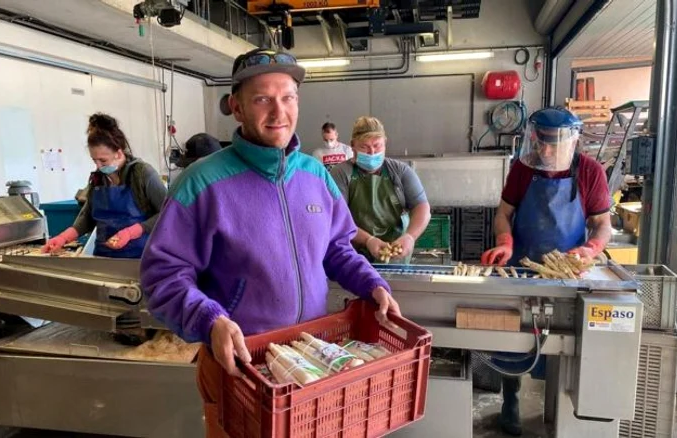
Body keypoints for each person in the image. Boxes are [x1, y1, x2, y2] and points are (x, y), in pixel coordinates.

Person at [139, 47, 400, 438]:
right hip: (241, 368)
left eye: (288, 97)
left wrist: (371, 283)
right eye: (262, 99)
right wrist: (209, 320)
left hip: (311, 358)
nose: (279, 113)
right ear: (237, 107)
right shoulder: (202, 183)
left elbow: (336, 248)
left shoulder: (315, 176)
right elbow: (163, 275)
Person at [481, 106, 612, 436]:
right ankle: (510, 400)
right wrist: (505, 240)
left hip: (565, 272)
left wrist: (589, 249)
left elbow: (602, 226)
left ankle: (558, 404)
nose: (545, 151)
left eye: (553, 144)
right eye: (540, 143)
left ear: (573, 141)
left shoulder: (590, 172)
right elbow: (503, 213)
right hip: (522, 265)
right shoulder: (522, 169)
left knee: (563, 343)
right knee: (513, 340)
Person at [41, 113, 167, 258]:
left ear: (118, 153)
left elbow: (168, 213)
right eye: (94, 161)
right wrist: (63, 238)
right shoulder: (98, 180)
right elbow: (87, 217)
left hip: (140, 258)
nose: (99, 166)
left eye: (103, 161)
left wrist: (132, 232)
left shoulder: (142, 174)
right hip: (103, 258)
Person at [330, 116, 431, 264]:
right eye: (364, 147)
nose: (372, 152)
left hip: (394, 255)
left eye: (377, 146)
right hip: (353, 257)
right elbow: (337, 218)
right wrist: (368, 240)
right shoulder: (340, 174)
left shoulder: (400, 171)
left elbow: (422, 207)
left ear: (385, 143)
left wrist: (410, 236)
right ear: (353, 145)